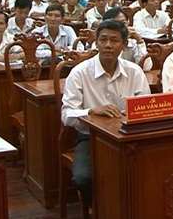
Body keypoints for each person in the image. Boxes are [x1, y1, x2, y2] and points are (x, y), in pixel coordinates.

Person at [61, 20, 151, 208]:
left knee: (152, 170)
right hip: (91, 138)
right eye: (103, 40)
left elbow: (145, 107)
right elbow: (66, 114)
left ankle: (133, 211)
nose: (108, 45)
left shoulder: (134, 71)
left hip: (129, 137)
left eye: (114, 40)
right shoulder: (80, 73)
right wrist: (90, 111)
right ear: (96, 42)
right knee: (83, 177)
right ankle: (97, 212)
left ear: (124, 45)